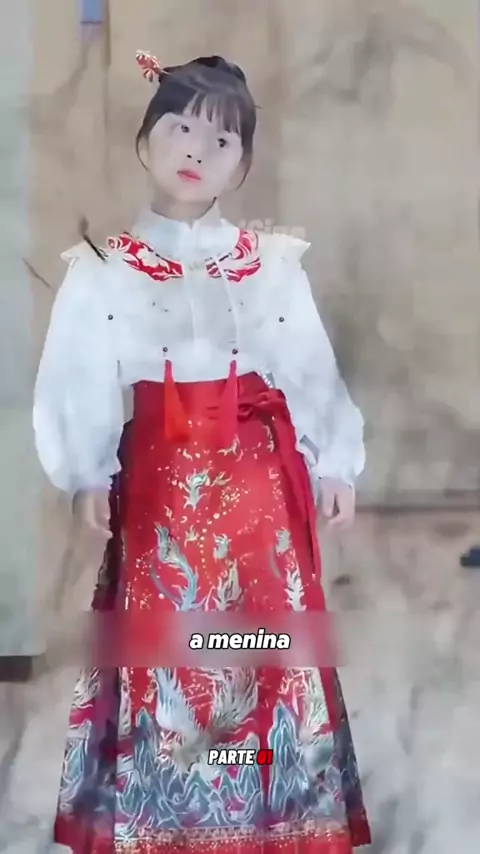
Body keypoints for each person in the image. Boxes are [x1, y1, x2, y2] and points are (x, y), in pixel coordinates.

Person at [34, 51, 371, 853]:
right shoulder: (104, 269)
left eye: (221, 140)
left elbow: (308, 363)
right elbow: (77, 374)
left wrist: (334, 457)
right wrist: (86, 470)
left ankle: (268, 820)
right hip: (160, 490)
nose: (197, 149)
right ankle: (170, 821)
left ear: (242, 163)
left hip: (258, 489)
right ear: (146, 138)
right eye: (181, 127)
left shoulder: (269, 263)